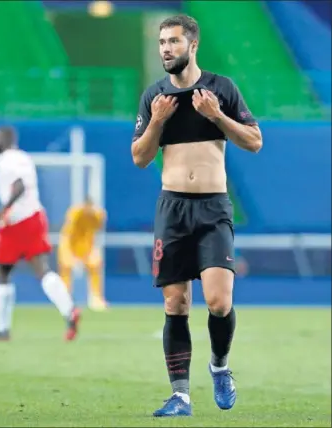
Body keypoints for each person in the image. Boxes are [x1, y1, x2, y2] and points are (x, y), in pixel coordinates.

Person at [131, 15, 262, 417]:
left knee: (220, 303)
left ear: (193, 45)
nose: (165, 49)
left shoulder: (222, 89)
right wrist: (156, 121)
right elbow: (139, 157)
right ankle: (181, 396)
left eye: (173, 41)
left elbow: (254, 142)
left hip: (213, 208)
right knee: (176, 304)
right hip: (172, 208)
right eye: (161, 42)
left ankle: (219, 367)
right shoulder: (155, 96)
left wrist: (217, 117)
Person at [0, 126, 80, 342]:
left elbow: (19, 187)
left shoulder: (6, 160)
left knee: (3, 272)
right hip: (34, 215)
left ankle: (2, 329)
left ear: (4, 140)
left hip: (17, 221)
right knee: (41, 269)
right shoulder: (23, 157)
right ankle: (69, 310)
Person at [58, 197, 108, 311]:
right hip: (70, 246)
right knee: (66, 267)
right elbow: (68, 233)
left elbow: (99, 223)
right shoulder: (75, 213)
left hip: (87, 248)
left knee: (95, 263)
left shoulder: (97, 215)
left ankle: (95, 298)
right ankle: (64, 300)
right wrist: (69, 253)